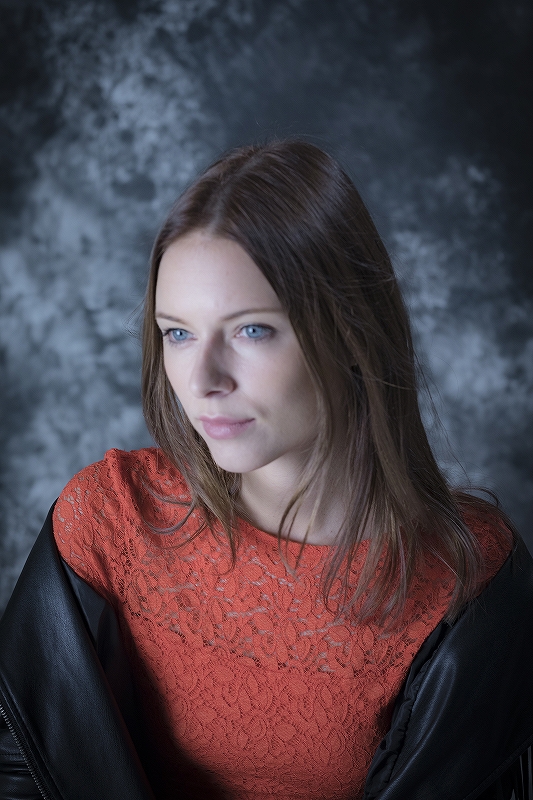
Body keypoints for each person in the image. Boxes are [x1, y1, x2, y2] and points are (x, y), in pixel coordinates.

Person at [0, 140, 532, 800]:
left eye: (251, 330)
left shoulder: (470, 580)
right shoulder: (107, 521)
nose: (202, 379)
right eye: (177, 333)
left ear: (350, 332)